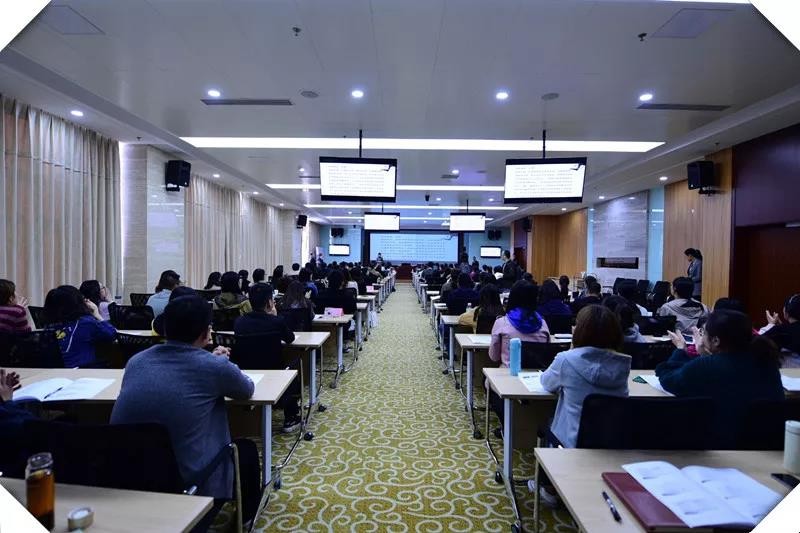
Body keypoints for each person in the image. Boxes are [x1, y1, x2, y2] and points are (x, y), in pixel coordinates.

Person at [111, 295, 254, 498]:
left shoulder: (137, 361)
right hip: (188, 487)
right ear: (206, 332)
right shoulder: (215, 367)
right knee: (247, 451)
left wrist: (211, 361)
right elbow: (246, 389)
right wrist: (220, 362)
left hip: (130, 479)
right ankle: (245, 514)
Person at [657, 310, 784, 447]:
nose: (702, 337)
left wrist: (680, 349)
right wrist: (706, 357)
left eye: (703, 333)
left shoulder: (706, 366)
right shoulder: (766, 361)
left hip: (722, 445)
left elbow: (668, 379)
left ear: (716, 340)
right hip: (766, 445)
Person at [541, 305, 631, 448]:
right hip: (611, 444)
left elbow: (546, 382)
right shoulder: (622, 364)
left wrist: (572, 349)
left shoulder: (565, 360)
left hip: (570, 445)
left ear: (579, 330)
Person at [234, 284, 301, 432]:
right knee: (295, 363)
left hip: (246, 373)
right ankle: (291, 417)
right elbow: (290, 339)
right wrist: (275, 316)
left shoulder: (239, 322)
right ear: (270, 302)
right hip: (275, 372)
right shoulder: (276, 321)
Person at [43, 285, 117, 367]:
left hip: (51, 372)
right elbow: (112, 334)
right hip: (81, 371)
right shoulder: (86, 322)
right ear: (77, 302)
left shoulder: (48, 328)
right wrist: (97, 314)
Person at [489, 281, 550, 367]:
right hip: (536, 374)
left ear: (512, 298)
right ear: (535, 299)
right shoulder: (543, 324)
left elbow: (494, 357)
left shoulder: (501, 322)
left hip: (508, 373)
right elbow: (546, 355)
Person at [761, 294, 800, 362]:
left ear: (786, 313)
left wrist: (771, 325)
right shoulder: (781, 330)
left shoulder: (779, 331)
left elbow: (757, 343)